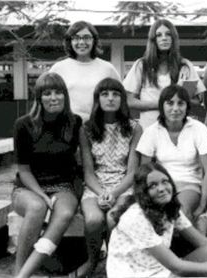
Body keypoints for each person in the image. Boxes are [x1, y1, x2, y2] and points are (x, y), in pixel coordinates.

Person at [106, 162, 207, 278]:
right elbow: (177, 266)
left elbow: (205, 243)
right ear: (143, 192)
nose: (161, 188)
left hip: (161, 269)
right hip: (139, 274)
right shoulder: (136, 217)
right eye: (153, 185)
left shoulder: (169, 207)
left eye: (165, 181)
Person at [12, 72, 82, 278]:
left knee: (66, 214)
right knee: (36, 207)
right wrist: (41, 195)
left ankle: (25, 273)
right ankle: (19, 270)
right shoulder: (23, 124)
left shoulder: (74, 122)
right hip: (27, 187)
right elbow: (23, 170)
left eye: (58, 93)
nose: (53, 98)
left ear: (65, 96)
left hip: (63, 186)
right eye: (47, 93)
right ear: (39, 98)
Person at [71, 78, 142, 277]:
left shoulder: (134, 128)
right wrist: (102, 193)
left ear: (122, 99)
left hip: (124, 185)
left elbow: (132, 172)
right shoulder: (86, 129)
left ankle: (115, 264)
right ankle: (93, 260)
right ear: (97, 99)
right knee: (93, 220)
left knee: (113, 219)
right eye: (105, 94)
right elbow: (88, 172)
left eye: (116, 94)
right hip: (95, 186)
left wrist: (114, 193)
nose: (110, 98)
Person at [136, 84, 207, 228]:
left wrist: (203, 204)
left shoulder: (199, 129)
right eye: (170, 103)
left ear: (187, 106)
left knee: (180, 212)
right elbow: (144, 170)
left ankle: (185, 250)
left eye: (181, 103)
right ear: (162, 106)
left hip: (189, 185)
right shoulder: (152, 131)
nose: (175, 108)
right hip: (162, 184)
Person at [123, 19, 206, 129]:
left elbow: (197, 101)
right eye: (159, 35)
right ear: (153, 40)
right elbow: (129, 101)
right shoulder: (142, 65)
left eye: (168, 34)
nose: (164, 38)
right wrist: (163, 103)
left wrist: (181, 97)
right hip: (148, 130)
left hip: (178, 130)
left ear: (173, 39)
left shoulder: (185, 65)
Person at [50, 21, 121, 121]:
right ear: (70, 41)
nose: (82, 42)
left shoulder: (108, 69)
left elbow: (120, 99)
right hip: (66, 127)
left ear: (94, 40)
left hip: (100, 127)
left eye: (86, 37)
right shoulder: (58, 68)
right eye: (76, 38)